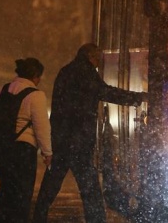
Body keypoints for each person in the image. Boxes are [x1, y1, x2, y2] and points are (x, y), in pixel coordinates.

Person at [33, 43, 147, 223]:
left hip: (61, 139)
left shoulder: (65, 71)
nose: (98, 63)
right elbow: (105, 92)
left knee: (51, 184)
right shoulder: (85, 72)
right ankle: (96, 220)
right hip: (79, 141)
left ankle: (38, 215)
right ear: (90, 57)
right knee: (90, 188)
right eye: (97, 59)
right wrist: (137, 98)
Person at [0, 58, 53, 223]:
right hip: (22, 150)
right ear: (35, 76)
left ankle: (1, 219)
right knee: (22, 195)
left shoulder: (0, 90)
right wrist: (47, 152)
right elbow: (41, 126)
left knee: (6, 190)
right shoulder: (36, 95)